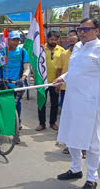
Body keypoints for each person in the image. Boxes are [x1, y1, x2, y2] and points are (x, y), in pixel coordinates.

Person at [55, 18, 100, 189]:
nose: (82, 32)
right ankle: (75, 169)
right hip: (72, 100)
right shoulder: (78, 47)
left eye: (86, 29)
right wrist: (62, 77)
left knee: (92, 142)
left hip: (91, 103)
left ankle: (92, 178)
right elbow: (74, 70)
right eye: (80, 29)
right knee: (71, 136)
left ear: (96, 30)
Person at [0, 30, 30, 130]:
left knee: (17, 104)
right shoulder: (1, 51)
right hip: (3, 83)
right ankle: (3, 123)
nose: (15, 42)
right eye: (13, 40)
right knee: (3, 104)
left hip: (17, 83)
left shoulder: (22, 51)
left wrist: (23, 78)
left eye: (17, 40)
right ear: (8, 40)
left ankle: (17, 123)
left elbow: (27, 68)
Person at [36, 31, 64, 131]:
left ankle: (53, 122)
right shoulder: (41, 49)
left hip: (55, 82)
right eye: (52, 39)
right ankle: (42, 123)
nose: (54, 41)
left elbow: (63, 66)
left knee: (54, 103)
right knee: (41, 102)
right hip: (42, 81)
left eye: (56, 39)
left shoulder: (61, 50)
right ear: (47, 39)